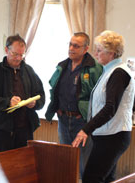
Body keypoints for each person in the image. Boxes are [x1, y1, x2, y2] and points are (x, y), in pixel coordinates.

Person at [72, 30, 135, 183]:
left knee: (91, 178)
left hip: (114, 136)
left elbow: (110, 108)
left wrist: (86, 129)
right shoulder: (109, 71)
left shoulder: (119, 73)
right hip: (108, 134)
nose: (95, 53)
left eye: (99, 50)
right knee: (107, 179)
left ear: (111, 53)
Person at [45, 32, 103, 177]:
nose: (71, 48)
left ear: (85, 49)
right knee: (65, 162)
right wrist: (55, 109)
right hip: (63, 120)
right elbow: (54, 89)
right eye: (70, 44)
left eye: (76, 46)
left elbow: (100, 97)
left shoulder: (95, 68)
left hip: (82, 122)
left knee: (85, 163)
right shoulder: (62, 66)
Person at [0, 34, 45, 153]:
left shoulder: (29, 71)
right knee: (1, 167)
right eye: (15, 54)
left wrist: (35, 103)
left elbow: (41, 95)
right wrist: (7, 102)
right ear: (6, 50)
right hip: (2, 130)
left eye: (21, 54)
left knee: (24, 167)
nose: (18, 58)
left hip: (25, 130)